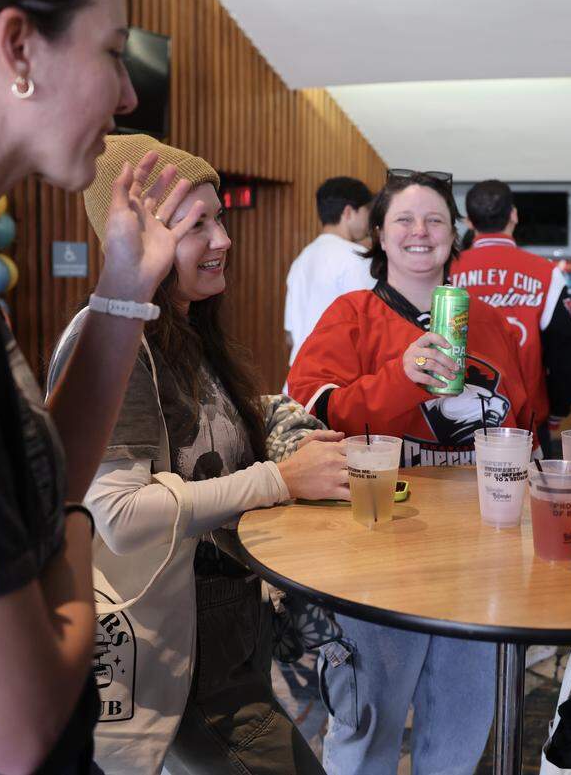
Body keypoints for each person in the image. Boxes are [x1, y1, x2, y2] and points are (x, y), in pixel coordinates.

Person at [0, 0, 200, 771]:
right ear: (18, 48)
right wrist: (75, 528)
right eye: (113, 53)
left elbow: (32, 484)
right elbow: (11, 727)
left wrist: (123, 291)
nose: (128, 96)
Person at [49, 135, 347, 775]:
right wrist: (280, 479)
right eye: (197, 225)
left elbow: (208, 425)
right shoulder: (118, 342)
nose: (224, 239)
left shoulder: (184, 329)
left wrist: (283, 424)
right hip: (176, 646)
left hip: (225, 635)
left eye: (221, 218)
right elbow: (119, 515)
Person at [288, 171, 533, 774]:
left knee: (458, 736)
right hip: (375, 555)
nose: (419, 231)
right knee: (365, 730)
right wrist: (400, 377)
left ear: (455, 235)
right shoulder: (351, 314)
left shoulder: (491, 323)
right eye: (403, 219)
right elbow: (314, 413)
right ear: (378, 233)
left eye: (435, 220)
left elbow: (522, 423)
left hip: (475, 558)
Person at [450, 179, 571, 444]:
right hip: (526, 423)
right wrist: (559, 408)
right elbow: (566, 350)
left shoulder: (445, 271)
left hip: (456, 418)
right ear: (514, 215)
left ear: (469, 222)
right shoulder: (546, 273)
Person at [284, 176, 374, 366]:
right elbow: (370, 329)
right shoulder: (357, 258)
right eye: (367, 211)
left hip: (299, 373)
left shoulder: (301, 260)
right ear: (349, 212)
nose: (368, 221)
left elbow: (290, 335)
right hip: (336, 375)